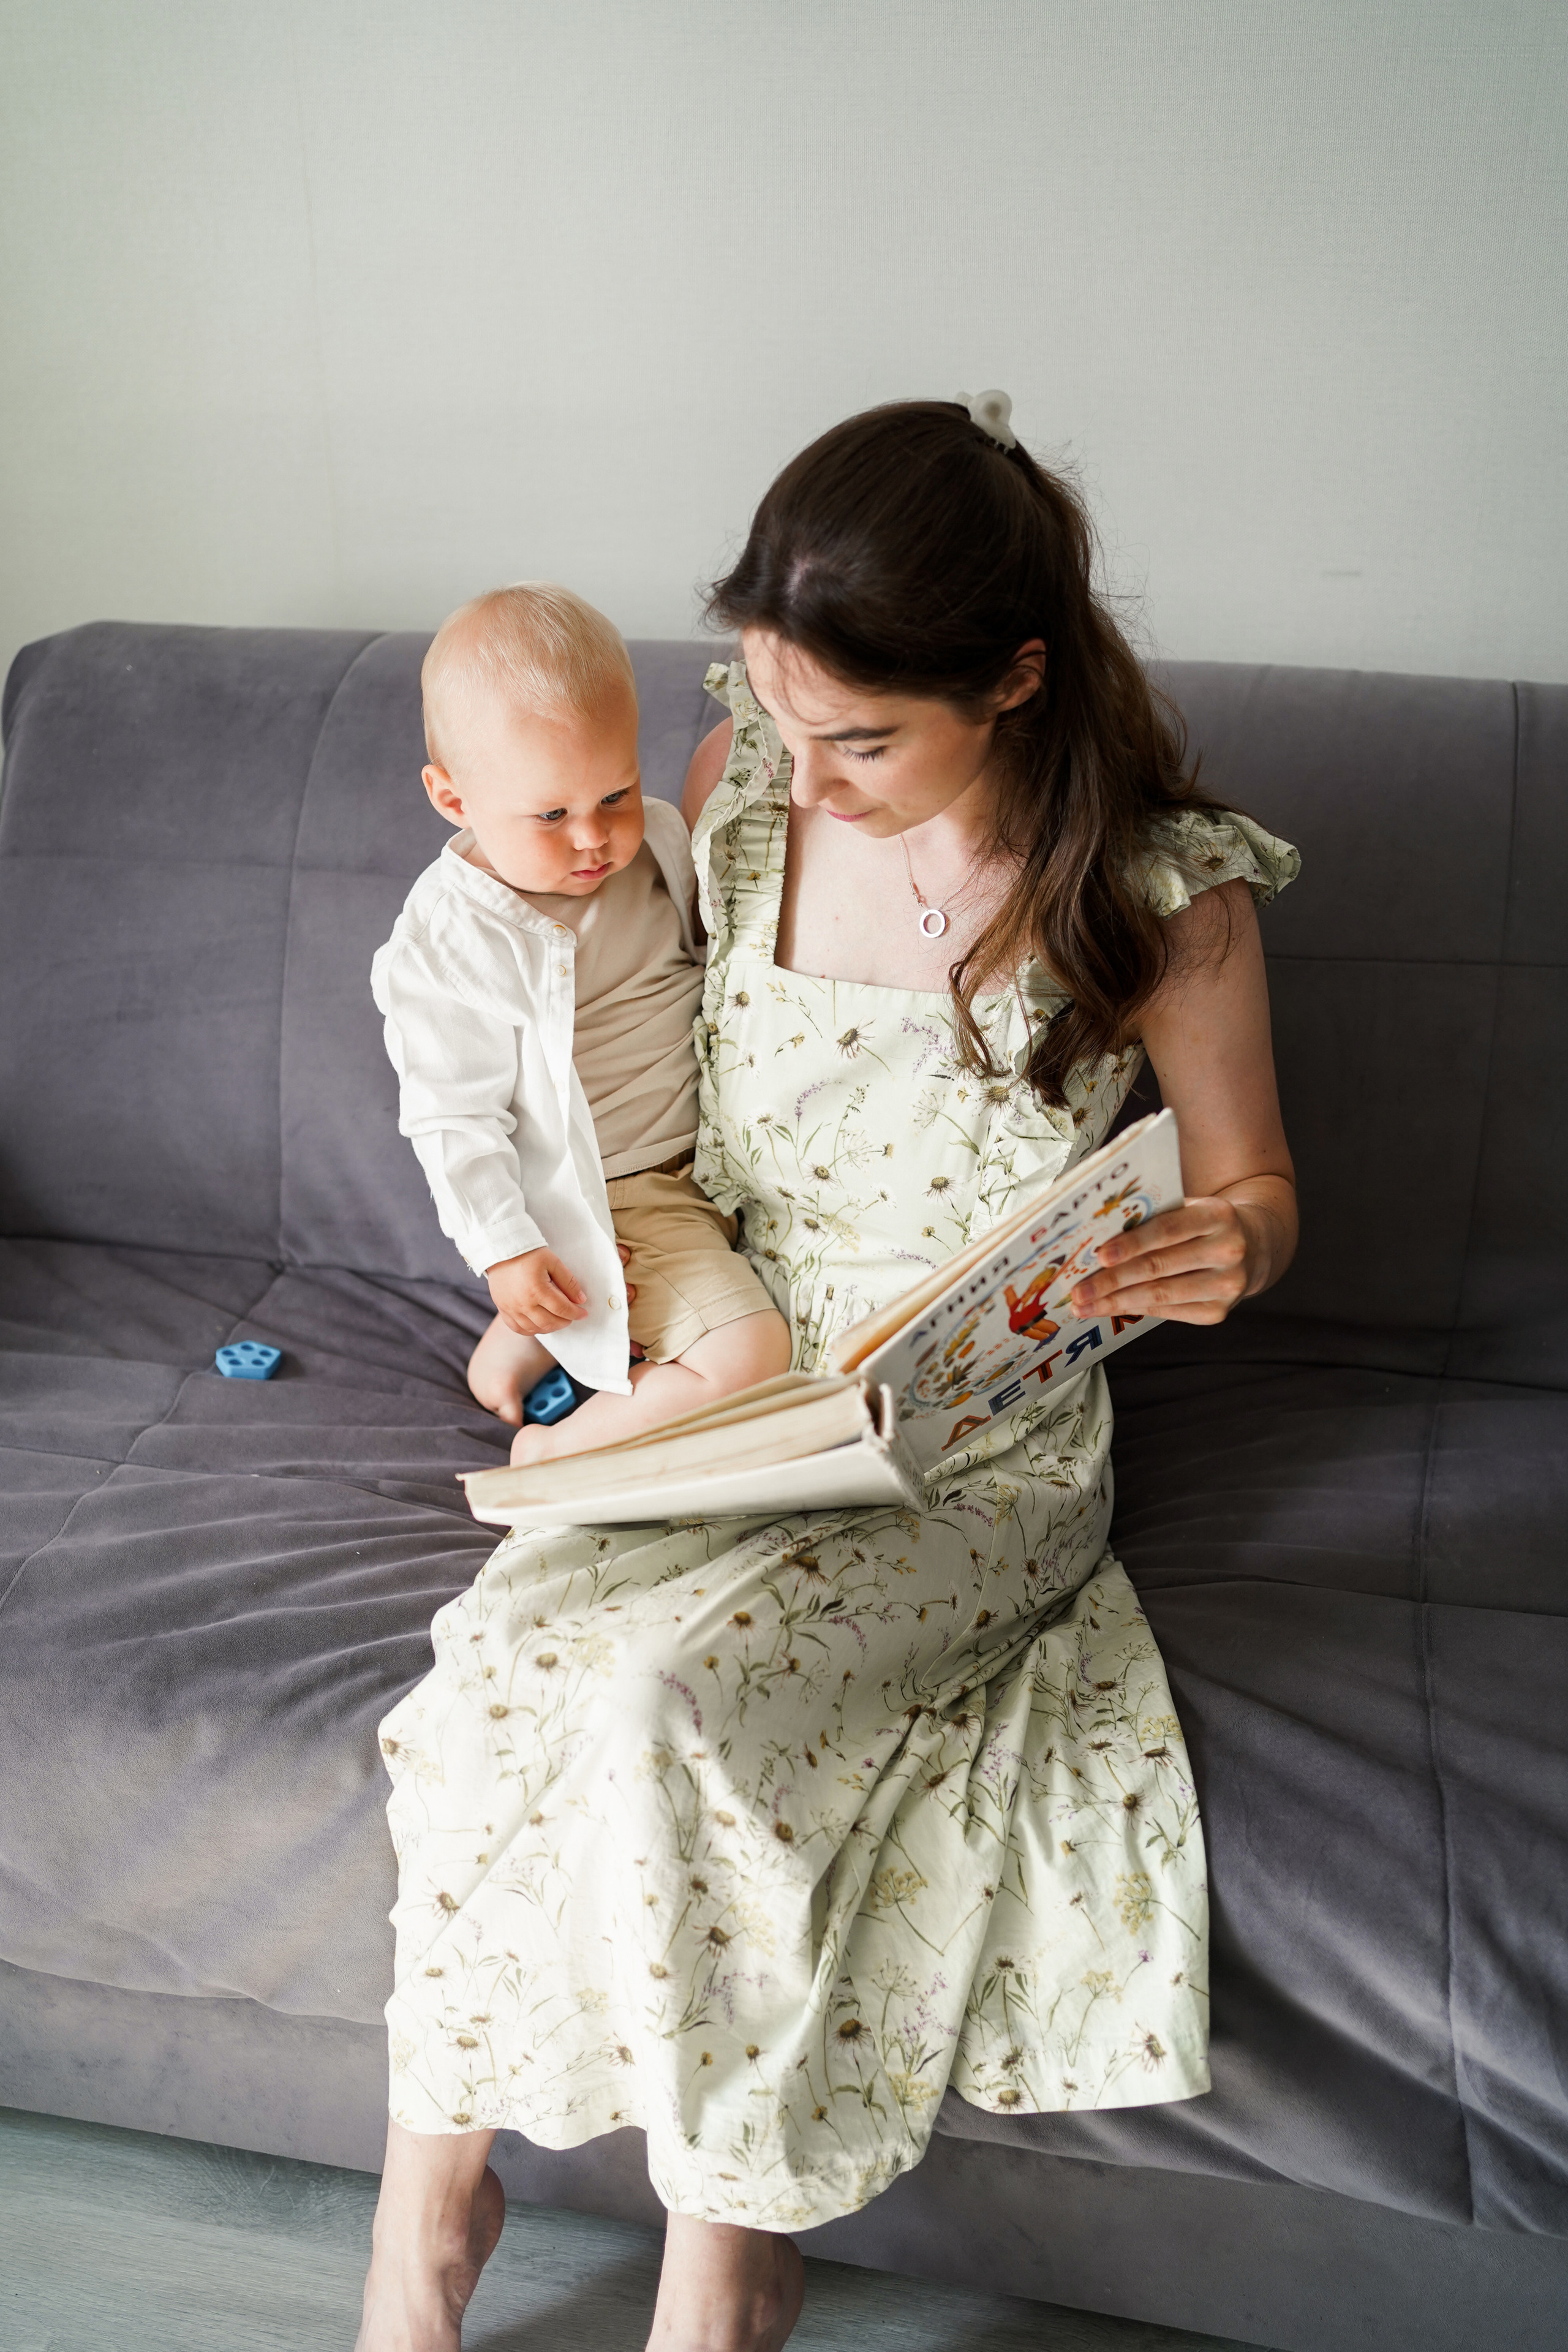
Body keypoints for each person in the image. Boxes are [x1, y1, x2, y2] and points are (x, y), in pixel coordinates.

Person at [356, 398, 1300, 2352]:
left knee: (672, 1709)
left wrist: (1236, 1243)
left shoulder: (1160, 891)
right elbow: (588, 1063)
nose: (803, 776)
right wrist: (554, 1301)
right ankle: (424, 2225)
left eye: (861, 737)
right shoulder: (742, 794)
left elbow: (1256, 1187)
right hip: (733, 1381)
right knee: (494, 1677)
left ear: (1016, 680)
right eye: (783, 726)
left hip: (969, 1440)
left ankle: (726, 2249)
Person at [371, 584, 790, 1465]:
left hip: (713, 1161)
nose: (594, 838)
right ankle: (559, 1457)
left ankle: (537, 1330)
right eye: (553, 814)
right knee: (752, 1356)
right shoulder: (451, 941)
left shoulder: (663, 846)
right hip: (624, 1194)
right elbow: (453, 1118)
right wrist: (507, 1250)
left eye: (617, 792)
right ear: (454, 801)